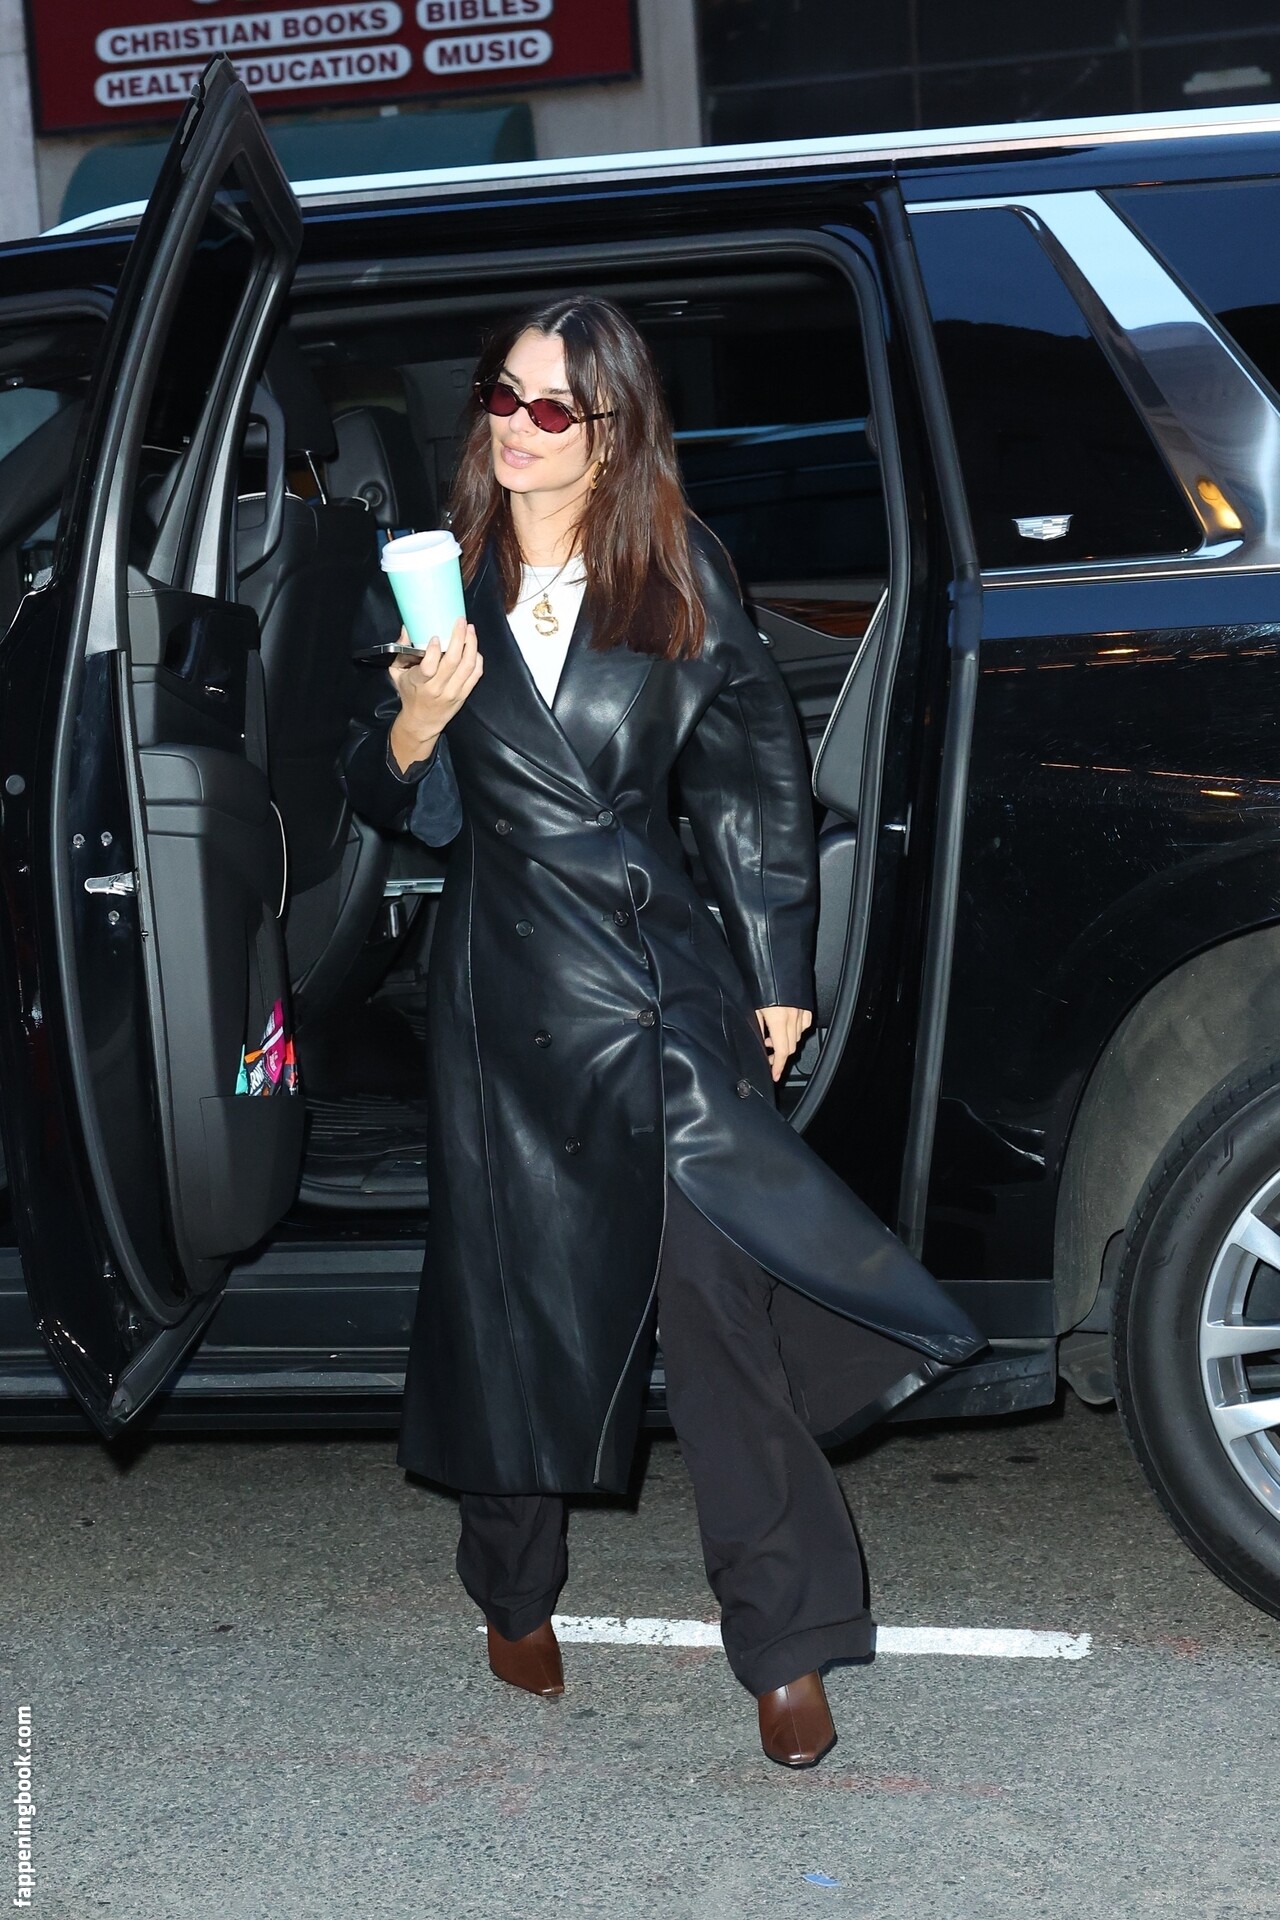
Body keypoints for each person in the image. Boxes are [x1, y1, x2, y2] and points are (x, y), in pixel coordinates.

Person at [339, 296, 985, 1769]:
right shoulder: (438, 579)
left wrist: (778, 967)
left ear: (613, 429)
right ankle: (512, 1589)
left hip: (655, 986)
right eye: (500, 395)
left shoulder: (676, 570)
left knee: (716, 1298)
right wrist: (418, 724)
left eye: (550, 407)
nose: (514, 427)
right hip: (503, 1005)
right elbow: (383, 800)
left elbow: (752, 771)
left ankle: (789, 1641)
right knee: (516, 1314)